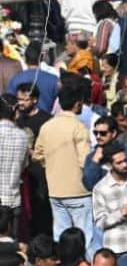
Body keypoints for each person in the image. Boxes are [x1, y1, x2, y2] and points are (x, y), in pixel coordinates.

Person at [33, 86, 92, 245]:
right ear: (78, 104)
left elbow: (37, 155)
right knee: (85, 236)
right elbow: (85, 160)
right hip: (79, 191)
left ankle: (63, 265)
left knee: (60, 235)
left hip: (55, 190)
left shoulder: (47, 126)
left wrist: (51, 163)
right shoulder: (79, 127)